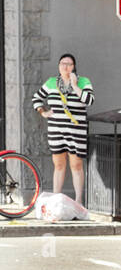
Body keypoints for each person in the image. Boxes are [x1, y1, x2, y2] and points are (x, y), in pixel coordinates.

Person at [32, 54, 94, 207]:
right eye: (62, 64)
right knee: (59, 165)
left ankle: (79, 201)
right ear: (59, 66)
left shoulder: (83, 81)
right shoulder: (52, 82)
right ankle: (55, 199)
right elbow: (36, 98)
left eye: (69, 64)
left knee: (76, 164)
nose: (65, 67)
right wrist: (43, 112)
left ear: (74, 66)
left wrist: (75, 86)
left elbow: (90, 101)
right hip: (56, 129)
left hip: (76, 130)